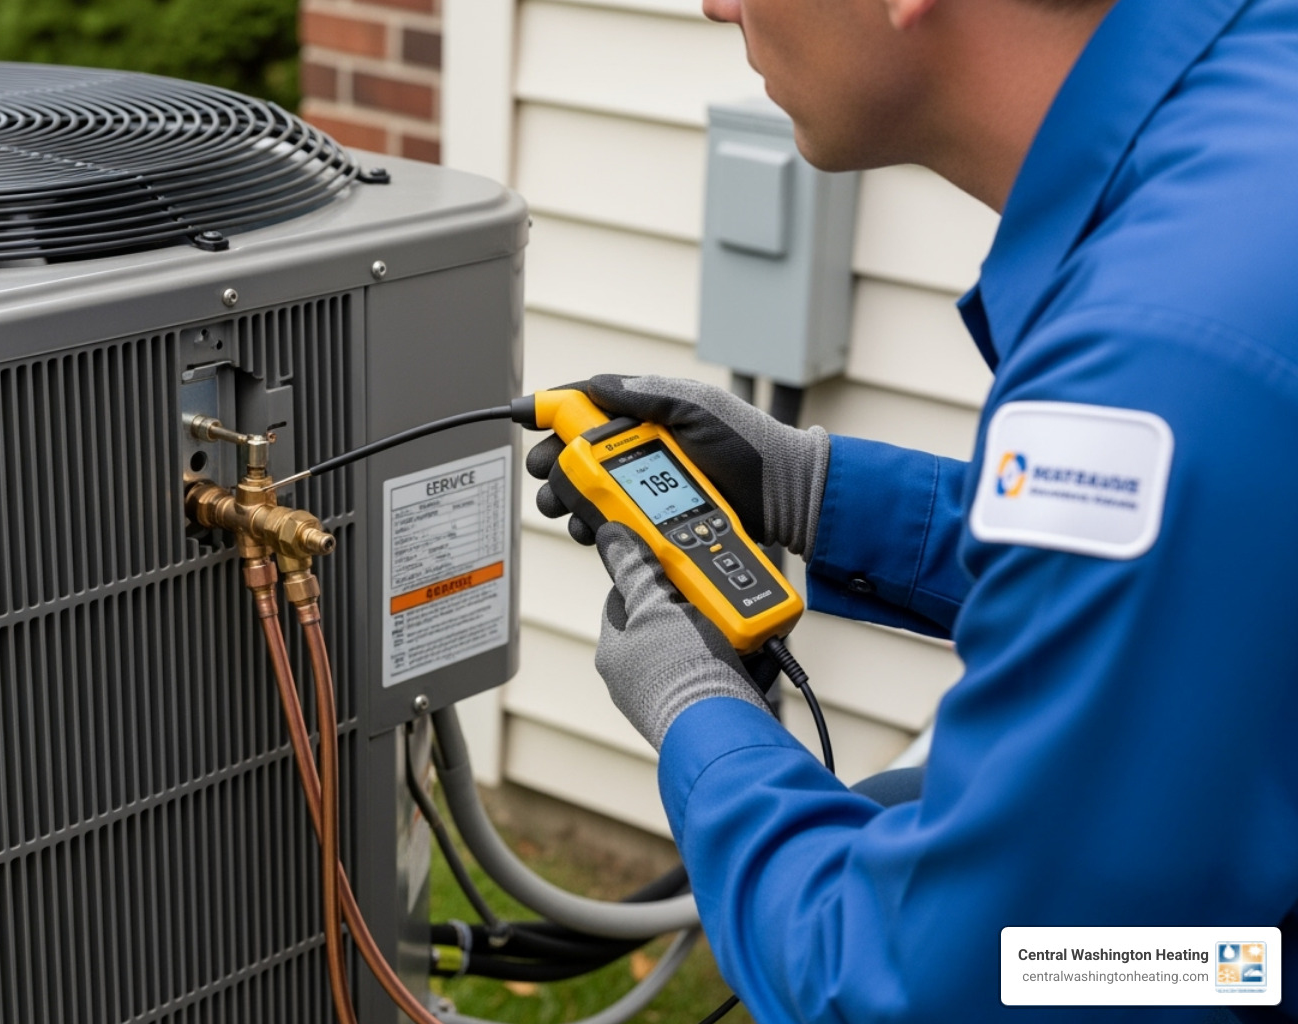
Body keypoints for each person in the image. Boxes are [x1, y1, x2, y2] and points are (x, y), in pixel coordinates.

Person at [526, 0, 1298, 1019]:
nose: (715, 3)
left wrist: (698, 715)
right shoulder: (1252, 114)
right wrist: (816, 489)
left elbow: (924, 982)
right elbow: (1199, 598)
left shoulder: (1154, 353)